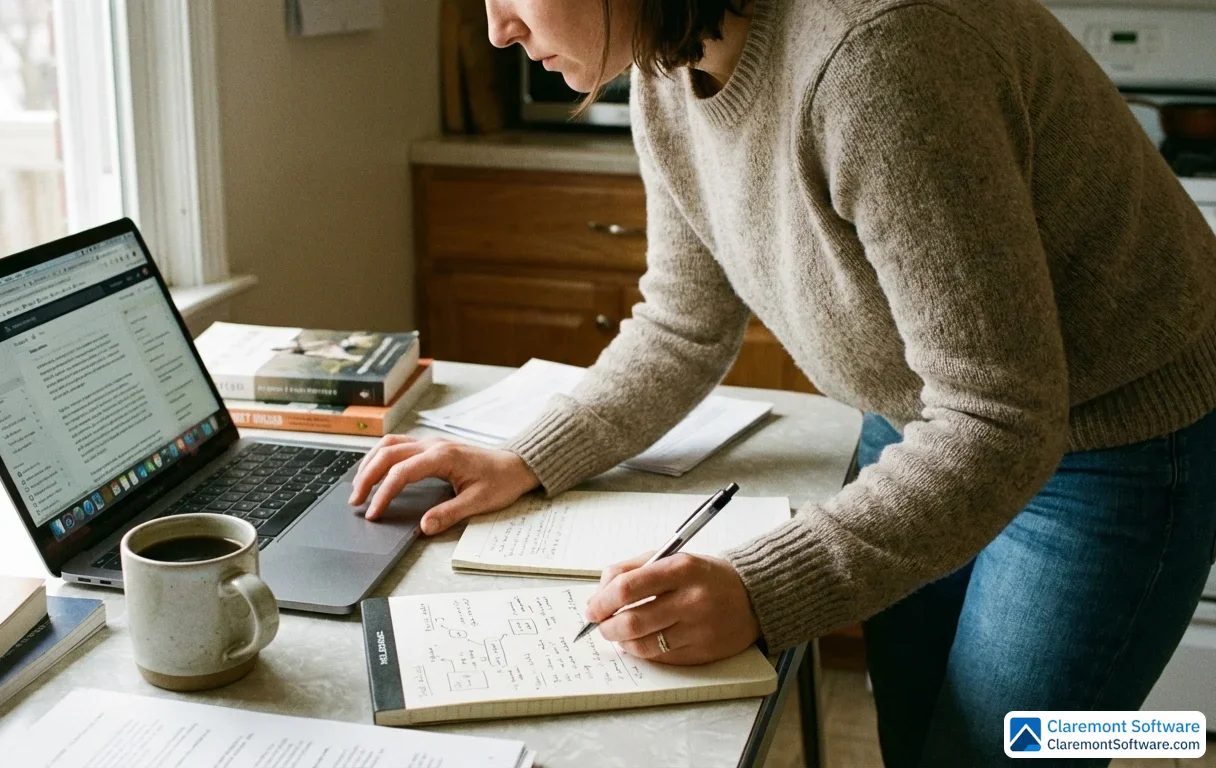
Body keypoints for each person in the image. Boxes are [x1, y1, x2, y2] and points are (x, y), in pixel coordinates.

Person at [351, 0, 1216, 763]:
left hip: (1114, 439)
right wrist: (525, 456)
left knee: (1002, 753)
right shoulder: (668, 61)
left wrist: (762, 590)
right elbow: (682, 324)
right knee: (917, 738)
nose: (496, 26)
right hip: (930, 420)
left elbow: (999, 417)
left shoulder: (879, 56)